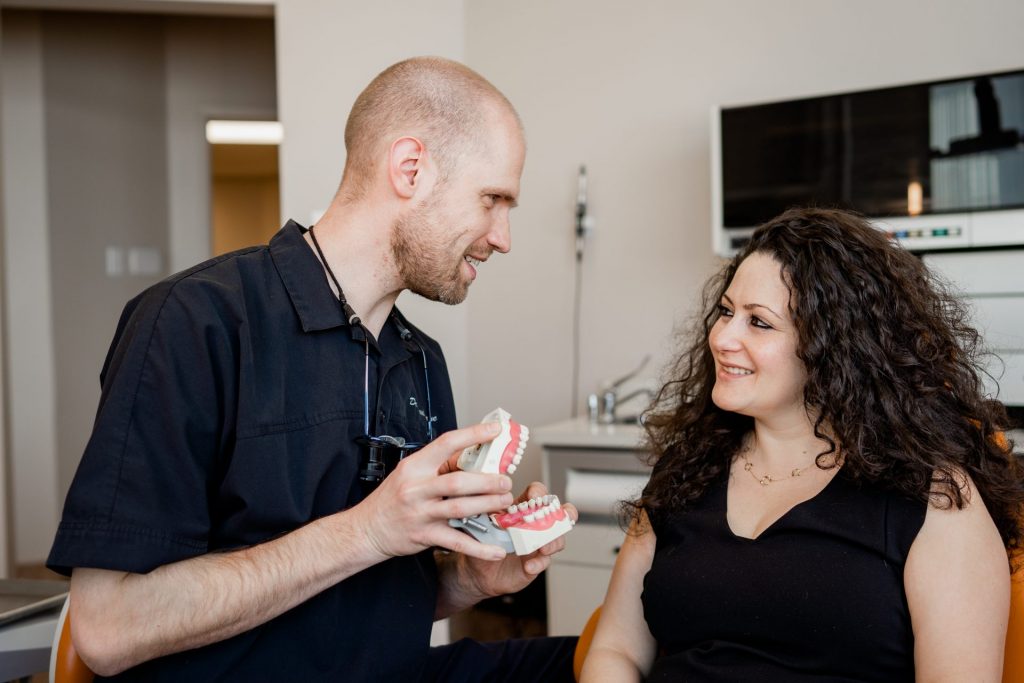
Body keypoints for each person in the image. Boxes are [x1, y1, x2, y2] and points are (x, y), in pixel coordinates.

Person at [47, 57, 578, 682]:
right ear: (411, 169)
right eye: (493, 198)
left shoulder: (420, 362)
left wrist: (470, 578)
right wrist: (366, 530)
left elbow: (372, 600)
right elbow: (108, 629)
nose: (504, 236)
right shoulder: (193, 323)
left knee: (621, 660)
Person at [581, 207, 1024, 682]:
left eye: (760, 323)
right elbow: (616, 649)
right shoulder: (689, 468)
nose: (723, 337)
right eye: (727, 312)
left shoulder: (935, 500)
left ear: (834, 350)